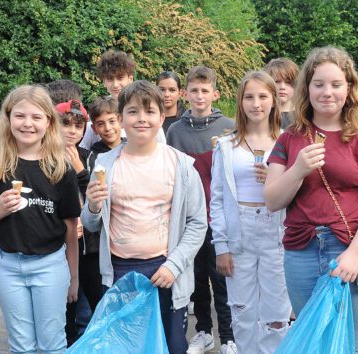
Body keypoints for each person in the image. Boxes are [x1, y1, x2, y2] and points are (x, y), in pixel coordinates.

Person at [264, 46, 358, 354]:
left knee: (353, 340)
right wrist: (297, 170)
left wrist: (355, 254)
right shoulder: (289, 138)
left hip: (350, 248)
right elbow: (272, 200)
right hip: (301, 252)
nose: (327, 92)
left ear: (349, 88)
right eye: (319, 84)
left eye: (336, 84)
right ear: (306, 88)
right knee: (311, 341)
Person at [82, 80, 207, 354]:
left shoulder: (181, 166)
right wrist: (92, 206)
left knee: (170, 346)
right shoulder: (105, 165)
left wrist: (173, 265)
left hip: (164, 272)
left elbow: (198, 223)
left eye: (150, 112)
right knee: (123, 348)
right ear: (122, 118)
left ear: (162, 118)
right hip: (118, 272)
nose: (142, 119)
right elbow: (91, 224)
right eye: (133, 112)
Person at [0, 85, 81, 354]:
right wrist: (0, 209)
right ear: (7, 119)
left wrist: (73, 277)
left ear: (49, 122)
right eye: (20, 116)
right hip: (8, 266)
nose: (27, 124)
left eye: (36, 117)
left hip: (50, 265)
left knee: (52, 342)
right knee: (21, 345)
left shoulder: (60, 168)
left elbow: (70, 227)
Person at [210, 71, 291, 353]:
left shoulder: (288, 142)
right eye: (249, 97)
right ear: (240, 102)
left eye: (262, 96)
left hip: (276, 230)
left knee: (277, 311)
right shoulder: (226, 146)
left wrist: (275, 178)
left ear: (274, 101)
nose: (256, 104)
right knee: (242, 310)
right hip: (239, 231)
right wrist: (221, 245)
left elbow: (299, 191)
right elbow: (217, 199)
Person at [167, 66, 237, 354]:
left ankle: (229, 336)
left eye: (204, 90)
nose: (199, 95)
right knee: (195, 280)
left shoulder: (229, 127)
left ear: (215, 94)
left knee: (222, 280)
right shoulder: (175, 131)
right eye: (193, 90)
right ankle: (204, 332)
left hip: (219, 218)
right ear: (185, 94)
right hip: (189, 219)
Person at [51, 95, 93, 345]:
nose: (72, 131)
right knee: (62, 311)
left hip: (86, 244)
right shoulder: (45, 155)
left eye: (78, 126)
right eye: (66, 124)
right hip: (56, 244)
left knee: (85, 310)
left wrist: (80, 170)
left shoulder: (89, 155)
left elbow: (98, 197)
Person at [264, 58, 299, 129]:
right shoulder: (262, 115)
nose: (282, 87)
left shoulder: (303, 117)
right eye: (277, 82)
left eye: (288, 82)